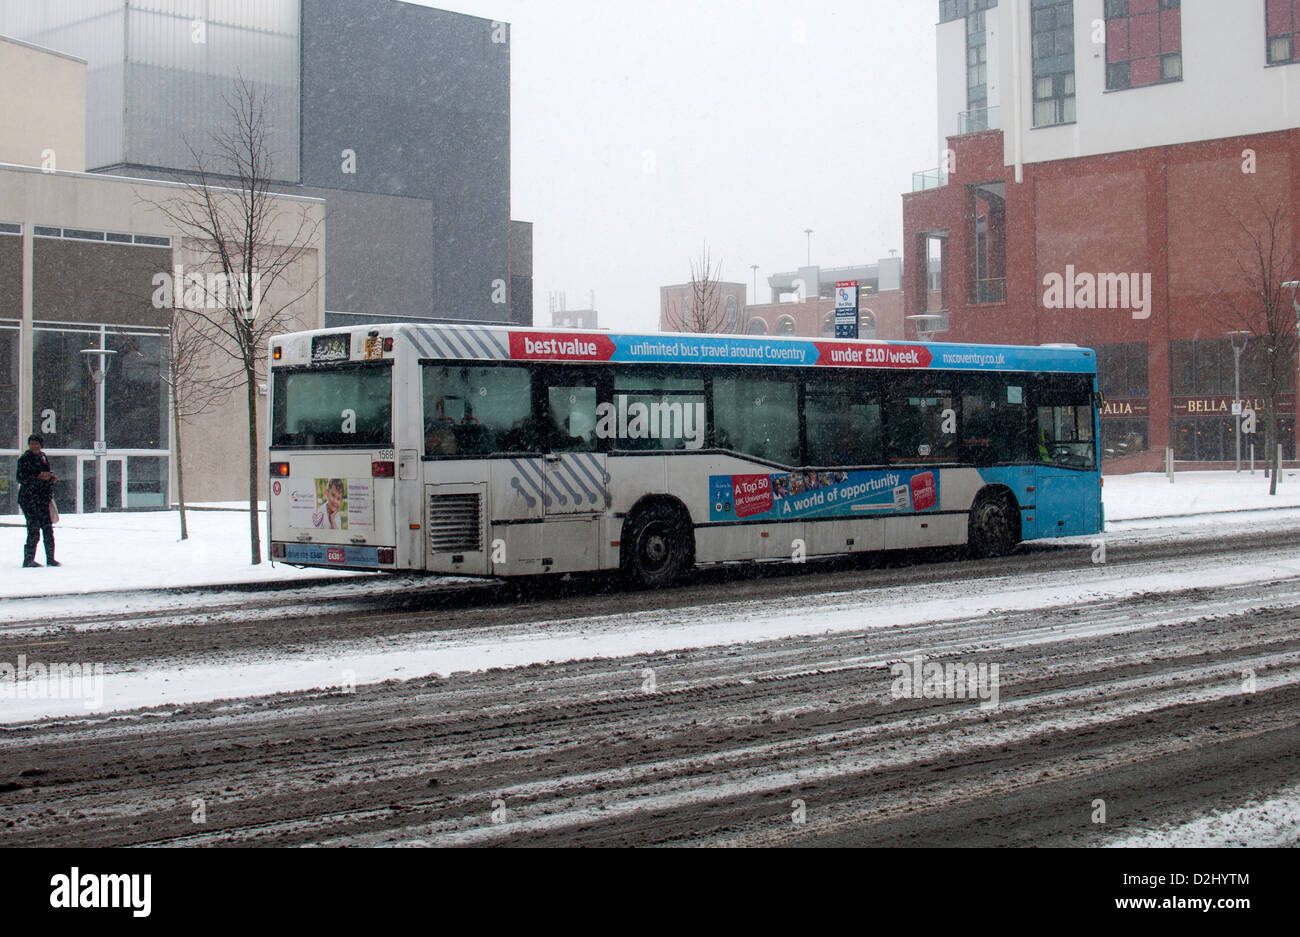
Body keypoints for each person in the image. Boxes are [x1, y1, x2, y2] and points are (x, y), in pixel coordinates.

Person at [17, 434, 59, 568]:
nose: (34, 446)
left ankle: (51, 558)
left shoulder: (43, 457)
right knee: (33, 529)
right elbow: (21, 478)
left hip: (42, 498)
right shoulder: (24, 459)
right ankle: (29, 559)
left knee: (48, 529)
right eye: (32, 444)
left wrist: (51, 478)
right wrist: (37, 477)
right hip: (29, 499)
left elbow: (46, 474)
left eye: (37, 444)